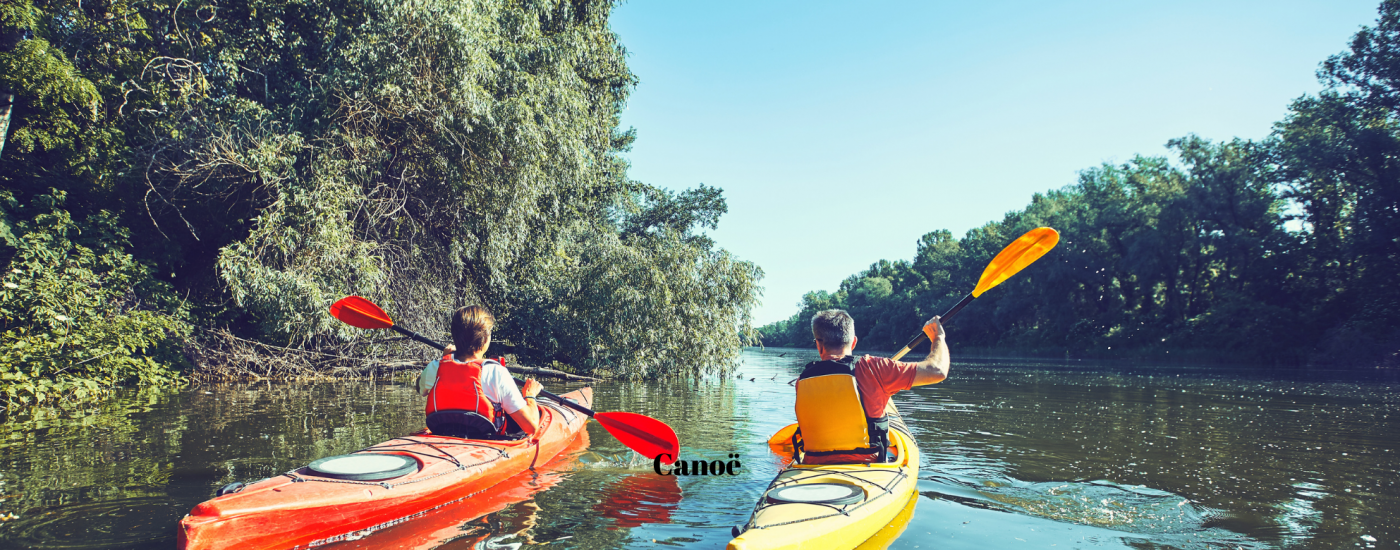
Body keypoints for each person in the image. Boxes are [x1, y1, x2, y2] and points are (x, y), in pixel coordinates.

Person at [794, 309, 948, 464]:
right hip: (868, 467)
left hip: (812, 467)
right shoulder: (873, 368)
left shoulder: (802, 382)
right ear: (853, 342)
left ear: (819, 346)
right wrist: (938, 337)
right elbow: (937, 370)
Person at [417, 305, 543, 439]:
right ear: (485, 339)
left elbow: (420, 387)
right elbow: (531, 426)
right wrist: (530, 395)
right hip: (486, 446)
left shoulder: (435, 368)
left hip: (443, 439)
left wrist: (444, 359)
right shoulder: (496, 372)